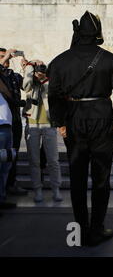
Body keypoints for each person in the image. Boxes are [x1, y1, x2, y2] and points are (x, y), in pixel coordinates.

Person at [48, 11, 113, 247]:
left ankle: (79, 230)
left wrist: (59, 122)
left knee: (78, 176)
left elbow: (54, 95)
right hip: (102, 118)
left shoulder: (61, 60)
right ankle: (97, 228)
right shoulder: (109, 59)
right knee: (101, 176)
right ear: (98, 33)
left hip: (74, 119)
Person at [23, 59, 62, 203]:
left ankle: (56, 189)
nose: (39, 73)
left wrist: (44, 79)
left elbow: (55, 94)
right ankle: (37, 190)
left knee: (53, 160)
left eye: (42, 70)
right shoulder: (30, 82)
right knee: (34, 160)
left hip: (49, 124)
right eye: (37, 70)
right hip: (32, 124)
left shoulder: (49, 82)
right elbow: (25, 86)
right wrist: (28, 67)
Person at [0, 48, 27, 199]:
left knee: (13, 154)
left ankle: (10, 184)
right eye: (2, 57)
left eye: (7, 56)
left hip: (14, 120)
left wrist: (27, 66)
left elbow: (29, 85)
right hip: (2, 121)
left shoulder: (13, 76)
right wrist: (5, 59)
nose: (7, 59)